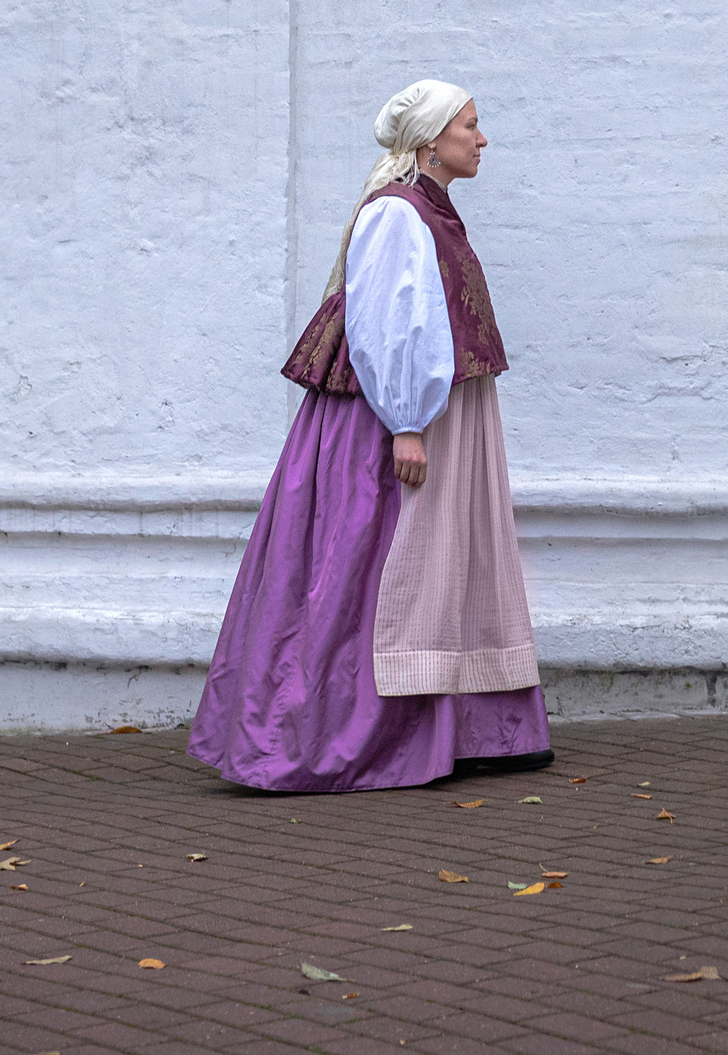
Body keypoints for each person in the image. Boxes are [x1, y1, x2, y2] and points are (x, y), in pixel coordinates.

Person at [189, 80, 551, 792]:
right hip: (395, 420)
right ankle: (329, 732)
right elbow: (389, 324)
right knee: (389, 565)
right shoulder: (397, 214)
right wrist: (406, 422)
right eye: (470, 126)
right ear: (429, 143)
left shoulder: (431, 212)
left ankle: (473, 726)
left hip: (437, 413)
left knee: (447, 564)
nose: (482, 139)